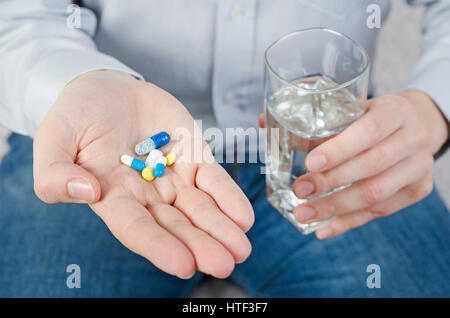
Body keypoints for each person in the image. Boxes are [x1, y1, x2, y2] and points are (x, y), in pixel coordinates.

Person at [0, 0, 449, 297]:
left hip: (329, 145)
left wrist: (432, 105)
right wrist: (76, 82)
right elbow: (17, 14)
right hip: (101, 139)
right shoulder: (128, 152)